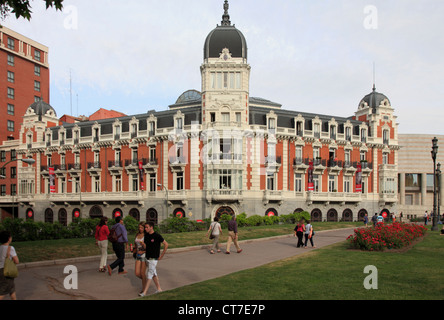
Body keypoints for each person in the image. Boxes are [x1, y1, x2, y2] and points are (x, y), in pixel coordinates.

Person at [139, 222, 168, 297]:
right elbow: (146, 247)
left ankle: (144, 292)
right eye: (145, 227)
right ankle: (159, 289)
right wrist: (143, 246)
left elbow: (166, 244)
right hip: (147, 258)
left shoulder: (157, 236)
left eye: (147, 227)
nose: (145, 229)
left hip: (154, 259)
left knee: (149, 274)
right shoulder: (146, 236)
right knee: (154, 274)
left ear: (151, 227)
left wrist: (161, 255)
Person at [0, 231, 19, 300]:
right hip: (6, 271)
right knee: (3, 291)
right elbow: (17, 261)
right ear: (9, 239)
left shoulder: (0, 248)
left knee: (11, 288)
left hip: (0, 270)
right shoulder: (10, 248)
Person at [133, 222, 147, 293]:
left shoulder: (146, 235)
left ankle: (144, 289)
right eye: (139, 227)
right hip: (138, 255)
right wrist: (133, 249)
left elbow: (149, 247)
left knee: (142, 273)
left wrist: (143, 246)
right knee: (137, 273)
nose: (140, 229)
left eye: (141, 227)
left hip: (144, 255)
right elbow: (135, 245)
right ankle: (146, 281)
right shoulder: (137, 234)